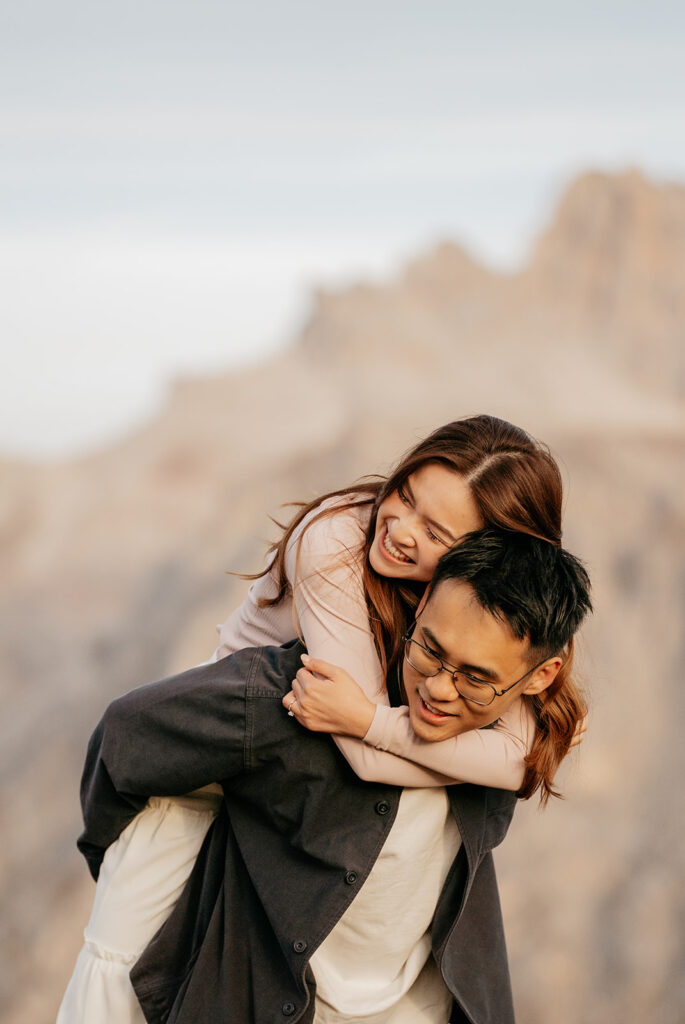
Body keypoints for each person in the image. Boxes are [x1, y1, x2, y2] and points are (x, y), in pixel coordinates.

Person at [57, 415, 586, 1022]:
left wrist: (389, 727)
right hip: (216, 757)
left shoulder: (496, 623)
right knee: (122, 975)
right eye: (405, 495)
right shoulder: (337, 541)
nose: (400, 530)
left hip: (278, 799)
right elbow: (363, 753)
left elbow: (518, 760)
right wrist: (421, 742)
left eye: (436, 532)